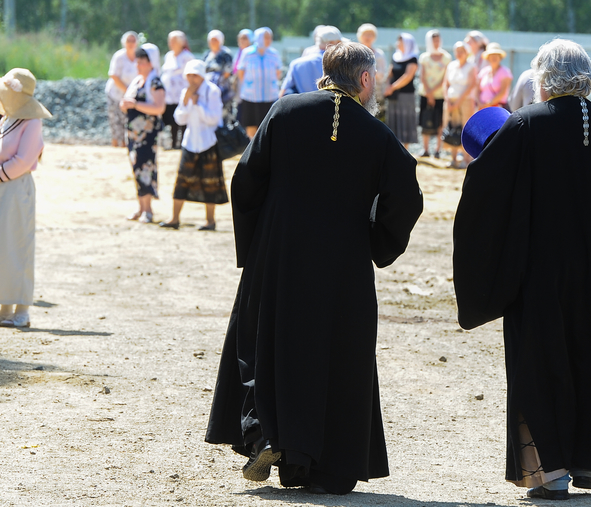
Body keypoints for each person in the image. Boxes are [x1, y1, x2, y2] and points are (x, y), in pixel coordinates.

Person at [205, 42, 423, 495]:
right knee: (333, 353)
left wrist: (257, 238)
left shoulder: (284, 111)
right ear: (364, 79)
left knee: (271, 340)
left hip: (279, 253)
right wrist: (375, 240)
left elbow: (245, 179)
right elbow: (406, 196)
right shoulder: (376, 133)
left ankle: (267, 434)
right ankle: (324, 466)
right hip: (343, 263)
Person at [452, 39, 591, 500]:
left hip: (540, 275)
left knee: (542, 367)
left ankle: (550, 472)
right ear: (588, 79)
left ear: (543, 79)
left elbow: (483, 199)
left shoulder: (523, 125)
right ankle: (590, 464)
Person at [0, 69, 51, 329]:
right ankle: (4, 307)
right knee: (2, 247)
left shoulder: (32, 122)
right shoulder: (7, 118)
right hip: (2, 186)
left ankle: (22, 310)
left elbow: (24, 159)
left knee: (18, 246)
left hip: (16, 187)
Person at [159, 60, 227, 232]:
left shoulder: (212, 91)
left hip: (208, 141)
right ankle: (174, 218)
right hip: (190, 142)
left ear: (201, 75)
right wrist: (188, 102)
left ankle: (210, 221)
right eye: (189, 75)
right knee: (182, 180)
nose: (191, 79)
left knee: (210, 181)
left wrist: (198, 105)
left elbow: (214, 119)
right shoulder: (185, 92)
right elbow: (179, 119)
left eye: (195, 75)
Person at [121, 45, 166, 224]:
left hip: (147, 135)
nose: (138, 64)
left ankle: (148, 209)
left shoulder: (155, 82)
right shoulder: (137, 81)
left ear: (151, 63)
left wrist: (135, 105)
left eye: (142, 61)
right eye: (138, 61)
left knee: (146, 166)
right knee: (136, 167)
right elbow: (127, 100)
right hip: (134, 134)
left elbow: (159, 107)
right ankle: (141, 207)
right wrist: (125, 104)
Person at [238, 27, 282, 138]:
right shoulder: (247, 53)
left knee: (268, 124)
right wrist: (250, 84)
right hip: (250, 96)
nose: (268, 40)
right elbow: (241, 72)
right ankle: (252, 147)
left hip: (269, 96)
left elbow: (278, 72)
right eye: (265, 37)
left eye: (270, 37)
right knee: (251, 123)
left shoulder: (274, 54)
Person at [442, 41, 477, 168]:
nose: (459, 54)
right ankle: (453, 158)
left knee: (465, 128)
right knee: (451, 126)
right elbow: (445, 83)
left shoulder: (471, 66)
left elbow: (471, 84)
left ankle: (466, 158)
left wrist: (458, 101)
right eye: (457, 51)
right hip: (451, 101)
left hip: (465, 100)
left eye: (462, 51)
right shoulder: (451, 65)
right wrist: (447, 99)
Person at [280, 26, 342, 96]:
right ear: (331, 43)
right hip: (329, 104)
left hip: (302, 104)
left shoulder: (296, 64)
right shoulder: (339, 63)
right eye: (339, 42)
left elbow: (283, 91)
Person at [418, 29, 451, 158]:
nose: (436, 43)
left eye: (438, 40)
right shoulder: (424, 57)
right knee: (425, 120)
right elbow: (422, 76)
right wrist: (429, 93)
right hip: (425, 94)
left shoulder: (446, 57)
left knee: (440, 123)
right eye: (433, 40)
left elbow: (445, 78)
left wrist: (434, 92)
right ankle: (425, 149)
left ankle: (438, 149)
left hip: (441, 95)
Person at [384, 32, 419, 148]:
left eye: (401, 41)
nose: (398, 43)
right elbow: (390, 73)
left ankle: (405, 149)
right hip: (393, 95)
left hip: (406, 95)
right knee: (393, 120)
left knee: (405, 120)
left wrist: (392, 87)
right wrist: (388, 85)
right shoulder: (395, 56)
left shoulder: (412, 58)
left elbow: (408, 76)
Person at [105, 31, 139, 148]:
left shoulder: (139, 57)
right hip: (115, 93)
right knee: (115, 120)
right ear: (124, 43)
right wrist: (127, 90)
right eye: (128, 41)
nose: (131, 43)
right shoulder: (119, 56)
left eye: (133, 41)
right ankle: (115, 143)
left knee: (127, 120)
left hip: (131, 96)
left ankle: (126, 143)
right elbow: (114, 75)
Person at [161, 30, 193, 150]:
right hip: (169, 94)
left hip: (182, 92)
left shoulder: (187, 56)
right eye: (170, 40)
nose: (171, 43)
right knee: (171, 119)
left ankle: (183, 144)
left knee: (183, 118)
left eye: (174, 40)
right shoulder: (168, 56)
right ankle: (174, 143)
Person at [356, 23, 388, 120]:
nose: (368, 37)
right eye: (365, 34)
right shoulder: (355, 52)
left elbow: (382, 74)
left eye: (370, 34)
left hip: (376, 92)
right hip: (357, 92)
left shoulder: (379, 54)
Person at [203, 30, 234, 122]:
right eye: (211, 40)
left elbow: (228, 71)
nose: (213, 42)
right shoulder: (207, 54)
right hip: (208, 89)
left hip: (222, 89)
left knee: (222, 115)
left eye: (215, 40)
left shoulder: (225, 54)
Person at [477, 42, 513, 110]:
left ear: (500, 57)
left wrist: (490, 103)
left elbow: (503, 92)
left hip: (498, 108)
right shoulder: (483, 71)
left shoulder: (505, 72)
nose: (494, 57)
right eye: (491, 55)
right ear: (488, 57)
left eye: (496, 55)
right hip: (482, 108)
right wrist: (479, 102)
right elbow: (477, 90)